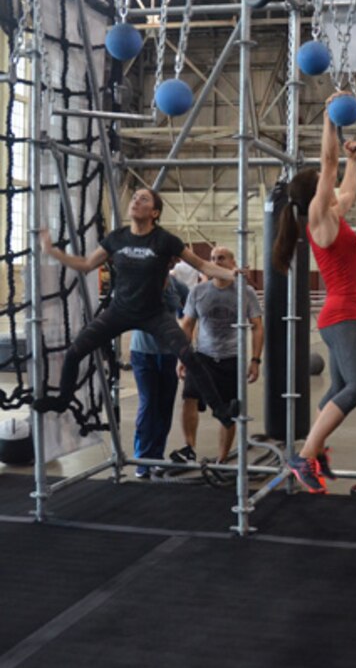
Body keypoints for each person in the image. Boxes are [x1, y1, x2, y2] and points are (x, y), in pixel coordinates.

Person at [34, 187, 241, 428]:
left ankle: (221, 411)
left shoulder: (165, 240)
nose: (135, 201)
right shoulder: (117, 238)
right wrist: (52, 251)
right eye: (134, 197)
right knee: (75, 352)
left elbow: (202, 265)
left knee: (189, 356)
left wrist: (232, 273)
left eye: (143, 199)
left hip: (154, 314)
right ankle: (62, 401)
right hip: (119, 312)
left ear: (154, 212)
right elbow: (86, 263)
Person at [272, 93, 356, 493]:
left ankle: (318, 448)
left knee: (334, 390)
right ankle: (306, 455)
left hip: (340, 315)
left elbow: (348, 190)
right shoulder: (317, 221)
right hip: (341, 315)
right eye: (325, 183)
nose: (334, 190)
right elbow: (326, 166)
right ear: (316, 193)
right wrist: (331, 120)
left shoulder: (331, 216)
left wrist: (352, 159)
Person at [170, 246, 264, 468]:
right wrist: (182, 357)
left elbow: (257, 326)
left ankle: (222, 460)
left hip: (232, 358)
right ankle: (189, 448)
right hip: (203, 356)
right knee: (189, 398)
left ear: (232, 263)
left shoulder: (245, 293)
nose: (216, 262)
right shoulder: (198, 291)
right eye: (212, 259)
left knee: (230, 409)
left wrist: (255, 360)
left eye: (221, 258)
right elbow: (188, 325)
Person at [130, 268, 188, 478]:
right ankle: (142, 460)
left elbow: (189, 311)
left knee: (164, 405)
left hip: (169, 353)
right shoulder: (140, 280)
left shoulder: (175, 284)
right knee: (148, 403)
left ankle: (156, 456)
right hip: (143, 353)